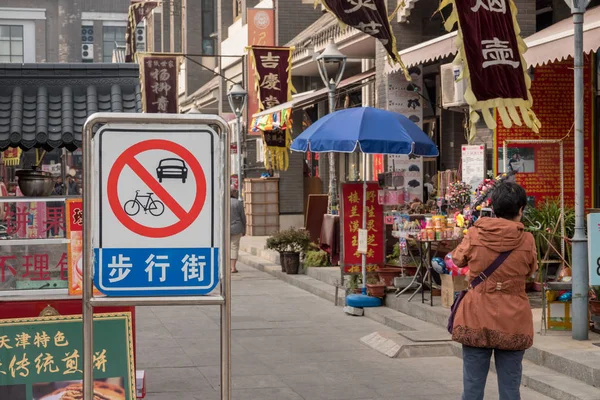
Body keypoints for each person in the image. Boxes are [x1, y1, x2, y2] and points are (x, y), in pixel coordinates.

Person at [451, 182, 537, 400]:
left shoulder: (474, 234)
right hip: (514, 318)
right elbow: (530, 271)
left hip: (476, 316)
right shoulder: (527, 239)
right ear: (520, 209)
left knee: (472, 386)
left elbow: (457, 260)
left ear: (493, 207)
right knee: (510, 388)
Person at [230, 187, 246, 273]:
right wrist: (244, 229)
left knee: (225, 247)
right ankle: (233, 267)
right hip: (237, 227)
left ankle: (225, 266)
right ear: (233, 193)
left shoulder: (221, 202)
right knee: (234, 247)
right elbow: (243, 216)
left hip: (225, 228)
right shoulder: (238, 203)